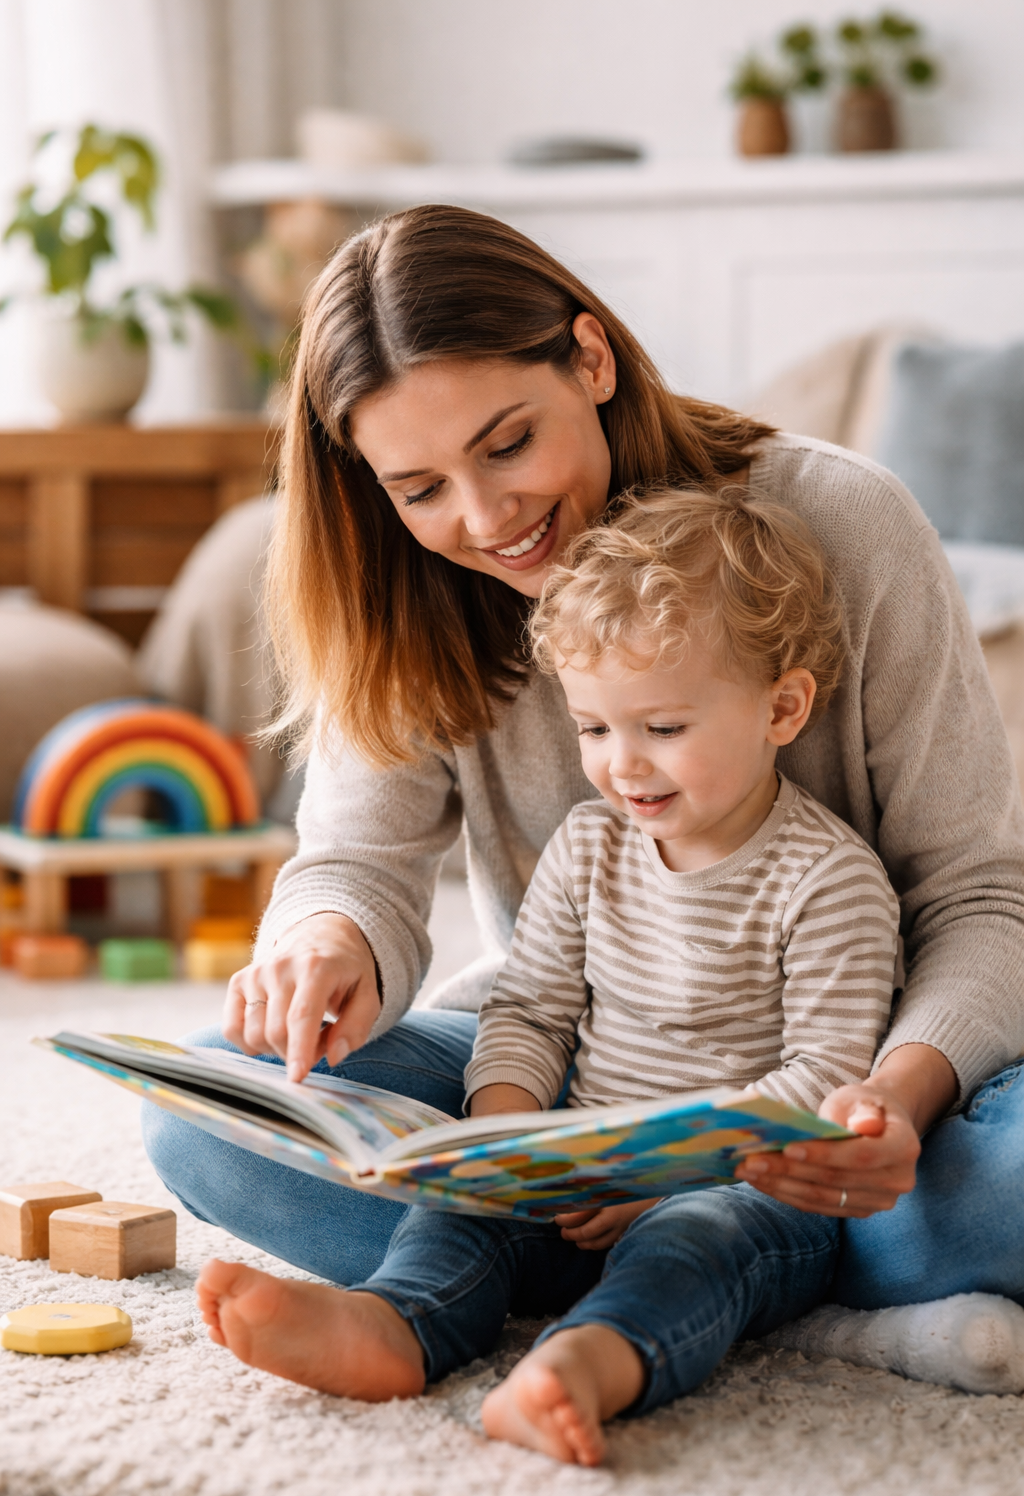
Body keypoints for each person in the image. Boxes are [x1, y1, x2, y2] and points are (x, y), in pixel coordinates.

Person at [142, 203, 1024, 1323]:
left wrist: (892, 1101)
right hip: (587, 1067)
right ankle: (751, 1281)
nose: (483, 516)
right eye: (418, 490)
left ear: (590, 357)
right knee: (207, 1116)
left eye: (507, 443)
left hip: (843, 1081)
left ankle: (578, 1267)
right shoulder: (410, 593)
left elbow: (981, 898)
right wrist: (325, 947)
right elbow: (354, 864)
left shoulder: (842, 520)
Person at [196, 486, 905, 1464]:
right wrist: (501, 1135)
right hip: (577, 1157)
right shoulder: (585, 846)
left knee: (696, 1249)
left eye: (661, 727)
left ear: (781, 708)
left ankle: (580, 1368)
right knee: (458, 1211)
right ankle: (392, 1327)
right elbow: (530, 1007)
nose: (622, 767)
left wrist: (657, 1171)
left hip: (740, 1184)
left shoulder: (831, 882)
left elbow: (818, 1082)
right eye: (593, 730)